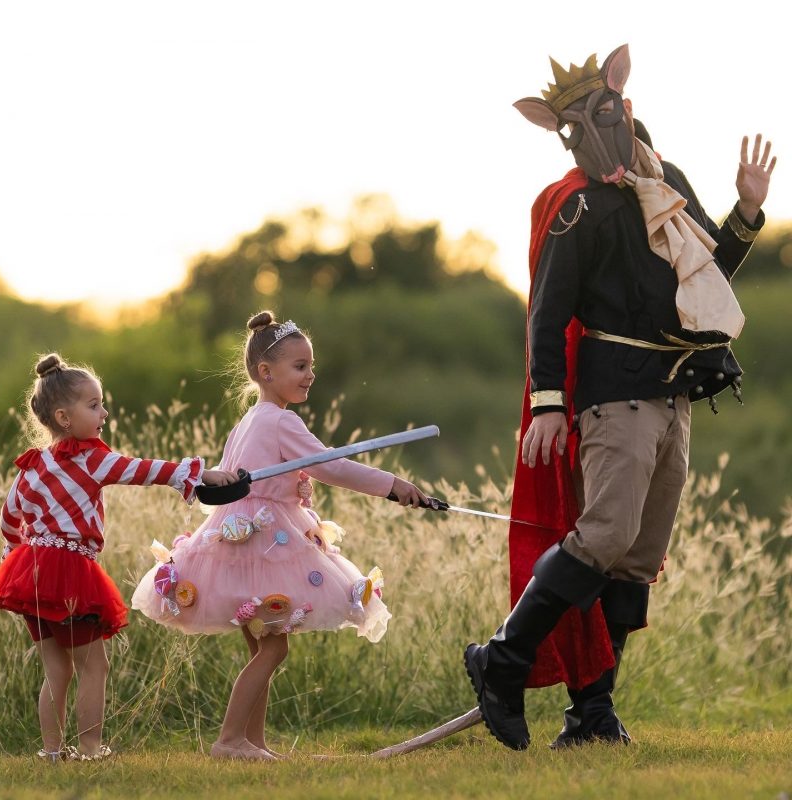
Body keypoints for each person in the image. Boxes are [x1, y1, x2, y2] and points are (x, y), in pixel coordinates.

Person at [463, 43, 776, 750]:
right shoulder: (577, 207)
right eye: (578, 126)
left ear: (624, 101)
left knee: (637, 558)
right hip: (615, 397)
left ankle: (591, 715)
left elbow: (707, 279)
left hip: (674, 397)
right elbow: (547, 309)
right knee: (603, 536)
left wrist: (747, 212)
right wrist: (548, 402)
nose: (598, 132)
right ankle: (502, 657)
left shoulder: (669, 183)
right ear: (563, 131)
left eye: (605, 113)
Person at [131, 310, 429, 761]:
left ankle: (252, 744)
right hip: (266, 542)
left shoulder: (250, 419)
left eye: (311, 365)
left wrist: (294, 486)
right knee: (272, 650)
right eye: (300, 366)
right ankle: (229, 740)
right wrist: (392, 486)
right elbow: (331, 466)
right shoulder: (280, 421)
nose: (310, 375)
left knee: (264, 646)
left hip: (240, 538)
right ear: (266, 373)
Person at [0, 353, 238, 762]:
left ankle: (52, 752)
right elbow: (142, 468)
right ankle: (89, 748)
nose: (104, 412)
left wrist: (17, 560)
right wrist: (199, 474)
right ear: (64, 417)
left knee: (56, 669)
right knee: (95, 665)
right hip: (69, 571)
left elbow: (9, 518)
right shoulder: (90, 458)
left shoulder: (31, 466)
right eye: (94, 405)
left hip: (30, 575)